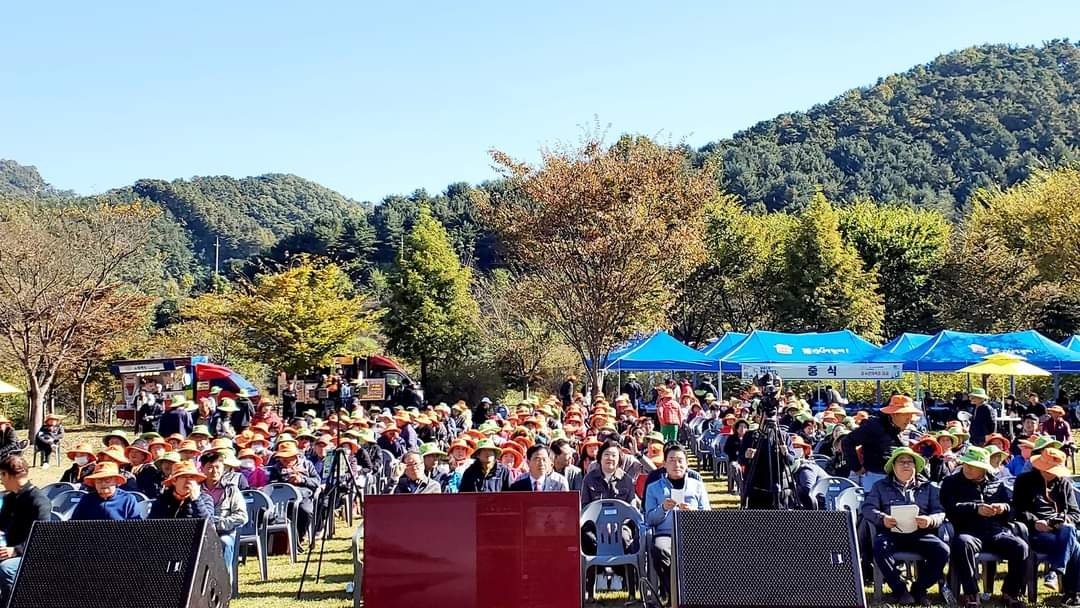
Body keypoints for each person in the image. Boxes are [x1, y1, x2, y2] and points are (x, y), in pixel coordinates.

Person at [940, 446, 1028, 608]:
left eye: (973, 466)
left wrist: (1003, 508)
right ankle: (971, 594)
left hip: (995, 531)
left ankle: (1010, 593)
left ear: (983, 469)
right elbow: (949, 508)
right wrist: (975, 508)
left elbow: (1012, 510)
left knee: (1020, 547)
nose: (968, 468)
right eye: (966, 464)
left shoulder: (996, 483)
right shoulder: (951, 483)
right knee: (963, 543)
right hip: (968, 531)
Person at [862, 447, 949, 606]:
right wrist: (882, 518)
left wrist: (930, 520)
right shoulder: (879, 486)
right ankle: (900, 590)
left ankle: (919, 589)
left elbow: (940, 511)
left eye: (910, 462)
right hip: (891, 533)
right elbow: (868, 508)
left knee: (942, 550)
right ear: (893, 466)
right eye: (901, 462)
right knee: (879, 546)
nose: (906, 465)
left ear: (916, 466)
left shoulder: (929, 487)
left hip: (920, 533)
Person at [1011, 446, 1080, 605]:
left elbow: (1075, 513)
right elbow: (1018, 510)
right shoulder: (1024, 481)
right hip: (1037, 532)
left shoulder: (1064, 484)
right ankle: (1072, 593)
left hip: (1061, 530)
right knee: (1075, 546)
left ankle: (1055, 572)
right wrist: (1035, 522)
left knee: (1069, 530)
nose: (1051, 473)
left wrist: (1063, 520)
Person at [645, 445, 710, 603]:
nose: (676, 465)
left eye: (680, 460)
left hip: (692, 533)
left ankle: (695, 594)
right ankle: (675, 596)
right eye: (672, 460)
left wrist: (693, 512)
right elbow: (649, 519)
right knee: (659, 550)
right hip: (666, 534)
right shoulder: (654, 488)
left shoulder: (697, 486)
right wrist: (663, 508)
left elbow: (707, 515)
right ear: (664, 464)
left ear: (687, 464)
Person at [0, 455, 51, 604]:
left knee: (7, 568)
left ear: (7, 475)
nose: (1, 480)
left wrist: (16, 550)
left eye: (1, 475)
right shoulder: (11, 498)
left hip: (29, 555)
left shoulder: (39, 501)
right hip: (8, 550)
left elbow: (43, 537)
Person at [844, 394, 918, 491]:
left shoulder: (907, 429)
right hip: (875, 478)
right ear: (894, 414)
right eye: (906, 414)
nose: (910, 419)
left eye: (911, 414)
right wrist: (856, 467)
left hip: (900, 479)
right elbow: (847, 442)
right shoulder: (873, 426)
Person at [267, 443, 320, 548]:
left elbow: (317, 481)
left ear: (295, 456)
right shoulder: (275, 468)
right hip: (283, 499)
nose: (284, 461)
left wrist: (302, 480)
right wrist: (285, 482)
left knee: (305, 511)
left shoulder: (307, 465)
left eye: (288, 458)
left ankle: (300, 537)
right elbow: (272, 485)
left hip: (304, 496)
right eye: (282, 458)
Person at [70, 461, 144, 520]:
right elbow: (74, 524)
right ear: (94, 483)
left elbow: (137, 528)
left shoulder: (128, 500)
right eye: (99, 481)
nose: (103, 484)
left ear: (116, 482)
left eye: (107, 480)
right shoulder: (87, 499)